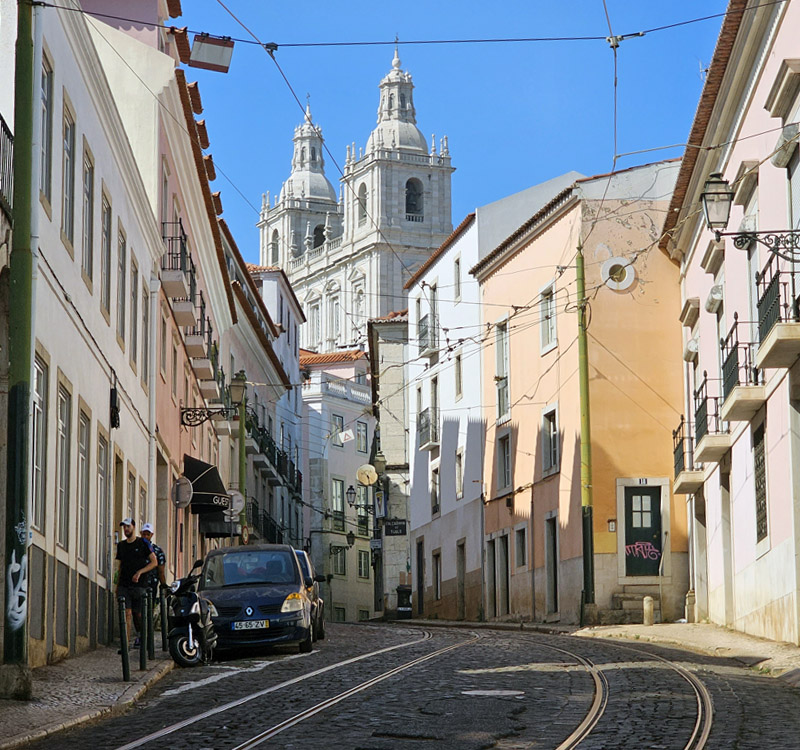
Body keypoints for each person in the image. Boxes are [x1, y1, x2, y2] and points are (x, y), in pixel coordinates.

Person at [115, 517, 157, 649]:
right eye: (124, 527)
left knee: (138, 614)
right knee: (126, 613)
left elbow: (154, 562)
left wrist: (140, 572)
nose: (126, 529)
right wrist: (117, 585)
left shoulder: (143, 543)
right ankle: (125, 646)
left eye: (128, 526)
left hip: (140, 586)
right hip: (124, 584)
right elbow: (120, 565)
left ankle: (143, 638)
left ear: (133, 527)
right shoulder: (121, 546)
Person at [141, 523, 167, 601]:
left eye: (147, 534)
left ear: (151, 535)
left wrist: (163, 584)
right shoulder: (136, 548)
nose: (145, 536)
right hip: (137, 584)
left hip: (151, 584)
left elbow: (161, 571)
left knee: (148, 606)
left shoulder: (157, 551)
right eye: (144, 534)